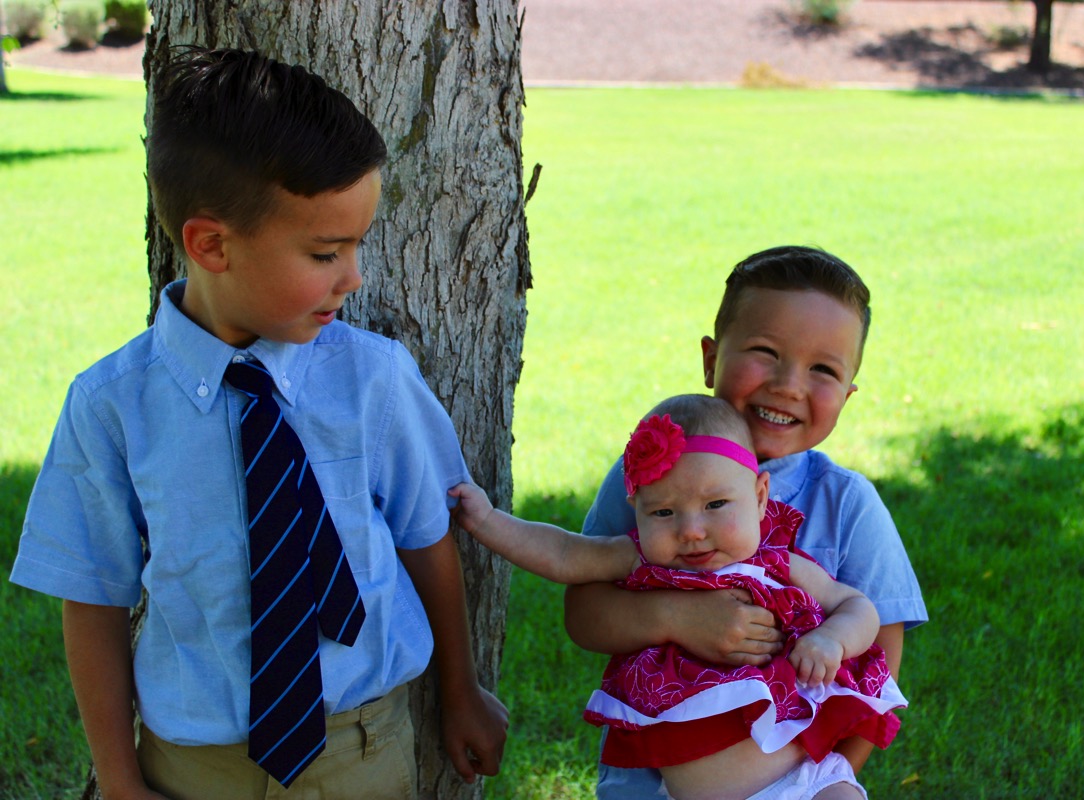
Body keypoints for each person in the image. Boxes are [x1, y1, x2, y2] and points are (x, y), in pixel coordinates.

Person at [8, 48, 506, 800]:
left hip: (363, 749)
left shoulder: (373, 379)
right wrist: (118, 779)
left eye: (357, 245)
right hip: (194, 767)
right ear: (211, 244)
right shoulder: (112, 406)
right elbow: (93, 595)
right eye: (325, 252)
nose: (353, 277)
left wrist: (460, 689)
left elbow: (426, 537)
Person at [565, 246, 929, 799]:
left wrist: (830, 777)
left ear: (848, 393)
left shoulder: (848, 504)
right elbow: (584, 614)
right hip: (649, 784)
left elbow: (881, 654)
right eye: (765, 352)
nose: (788, 385)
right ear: (711, 359)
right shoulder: (651, 471)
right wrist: (678, 618)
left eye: (823, 369)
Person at [451, 394, 907, 800]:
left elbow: (857, 606)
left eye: (715, 505)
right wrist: (488, 522)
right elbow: (565, 553)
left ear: (760, 497)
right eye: (664, 512)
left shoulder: (777, 562)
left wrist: (831, 640)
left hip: (807, 782)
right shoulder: (639, 560)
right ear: (637, 510)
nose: (691, 530)